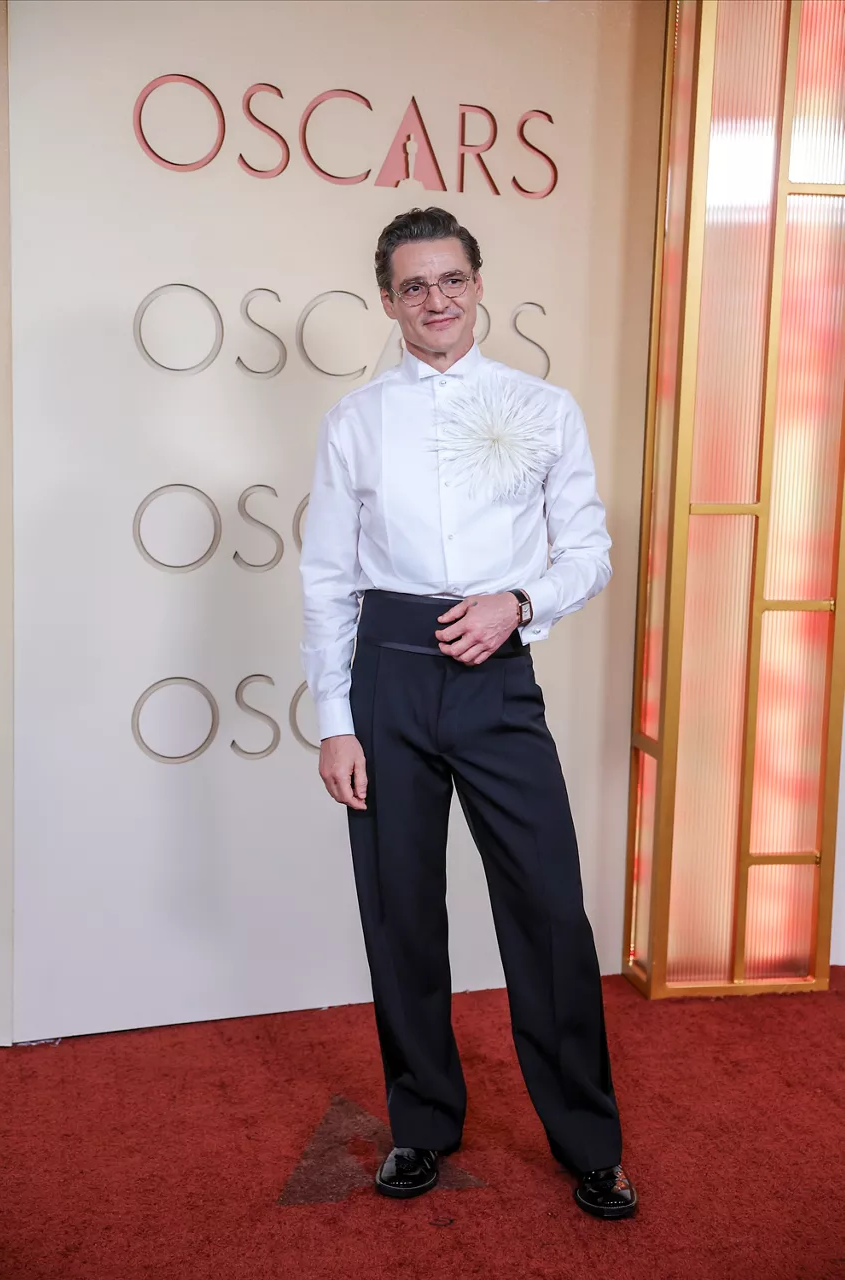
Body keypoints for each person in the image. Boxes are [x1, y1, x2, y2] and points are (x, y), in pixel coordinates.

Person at [299, 207, 637, 1219]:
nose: (434, 300)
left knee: (545, 910)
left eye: (449, 279)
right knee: (399, 910)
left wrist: (518, 604)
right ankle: (420, 1126)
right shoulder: (354, 421)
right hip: (387, 674)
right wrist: (334, 718)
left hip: (496, 671)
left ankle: (588, 1140)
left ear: (478, 283)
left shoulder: (545, 407)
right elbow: (325, 576)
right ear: (389, 299)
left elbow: (586, 546)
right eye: (412, 286)